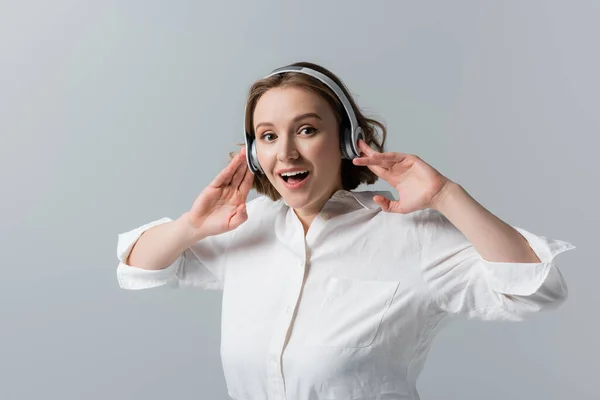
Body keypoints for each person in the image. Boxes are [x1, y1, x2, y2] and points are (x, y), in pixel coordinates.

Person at [116, 61, 575, 400]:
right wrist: (192, 226)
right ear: (254, 154)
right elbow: (137, 269)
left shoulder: (410, 234)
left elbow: (538, 288)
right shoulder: (245, 228)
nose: (287, 153)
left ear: (346, 138)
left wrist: (445, 196)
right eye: (269, 136)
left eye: (307, 129)